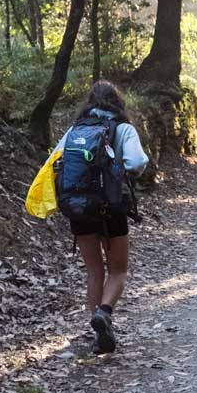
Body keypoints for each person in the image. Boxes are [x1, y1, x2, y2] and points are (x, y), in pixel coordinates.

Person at [51, 80, 149, 354]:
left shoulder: (76, 129)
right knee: (118, 269)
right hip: (112, 206)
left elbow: (57, 161)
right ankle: (104, 314)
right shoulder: (123, 129)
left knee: (94, 271)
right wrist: (119, 171)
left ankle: (97, 331)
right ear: (117, 102)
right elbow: (138, 162)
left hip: (79, 207)